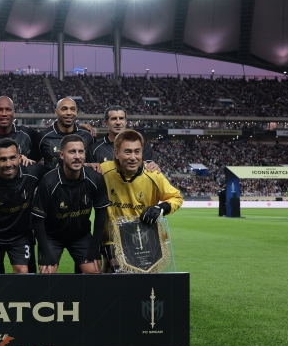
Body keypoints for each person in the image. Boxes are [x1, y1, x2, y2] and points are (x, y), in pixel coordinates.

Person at [100, 130, 183, 272]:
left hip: (147, 239)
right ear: (116, 154)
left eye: (137, 152)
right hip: (115, 241)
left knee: (148, 282)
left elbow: (176, 197)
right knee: (117, 276)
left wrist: (160, 208)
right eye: (127, 152)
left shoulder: (153, 175)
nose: (133, 157)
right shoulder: (103, 171)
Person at [0, 96, 40, 273]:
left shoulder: (29, 134)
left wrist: (83, 128)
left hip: (21, 216)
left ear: (14, 112)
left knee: (25, 267)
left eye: (8, 109)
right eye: (0, 109)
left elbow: (44, 161)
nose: (4, 113)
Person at [0, 138, 49, 274]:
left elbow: (57, 174)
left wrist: (86, 166)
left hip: (19, 234)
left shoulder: (32, 171)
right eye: (3, 159)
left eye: (12, 158)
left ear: (20, 158)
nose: (8, 164)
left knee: (22, 271)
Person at [31, 134, 109, 274]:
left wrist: (94, 248)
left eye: (81, 152)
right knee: (47, 273)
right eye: (72, 152)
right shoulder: (48, 182)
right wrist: (45, 251)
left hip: (81, 237)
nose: (77, 156)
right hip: (52, 238)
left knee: (94, 271)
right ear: (62, 155)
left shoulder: (96, 179)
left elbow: (101, 215)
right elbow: (38, 219)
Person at [92, 105, 159, 171]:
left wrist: (153, 166)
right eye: (114, 119)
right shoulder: (95, 149)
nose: (118, 122)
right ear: (106, 123)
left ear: (125, 121)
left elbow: (149, 168)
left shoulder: (141, 145)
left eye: (121, 118)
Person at [36, 98, 95, 169]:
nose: (69, 113)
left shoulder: (88, 135)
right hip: (52, 176)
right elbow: (33, 163)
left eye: (72, 109)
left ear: (76, 112)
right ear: (56, 112)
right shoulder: (43, 137)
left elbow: (94, 163)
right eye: (64, 109)